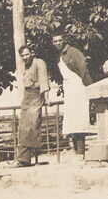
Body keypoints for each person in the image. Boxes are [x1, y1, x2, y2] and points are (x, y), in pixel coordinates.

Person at [53, 33, 96, 161]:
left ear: (64, 40)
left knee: (79, 119)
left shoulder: (74, 52)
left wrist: (90, 88)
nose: (58, 43)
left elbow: (83, 71)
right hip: (69, 89)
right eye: (55, 41)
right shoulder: (58, 56)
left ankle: (81, 152)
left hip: (79, 87)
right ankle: (76, 151)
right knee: (71, 120)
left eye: (60, 40)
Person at [15, 44, 51, 167]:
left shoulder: (39, 62)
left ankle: (27, 158)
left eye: (26, 54)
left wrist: (46, 97)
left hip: (36, 95)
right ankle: (23, 159)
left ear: (32, 53)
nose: (25, 57)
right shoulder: (26, 65)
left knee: (31, 125)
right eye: (22, 56)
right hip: (27, 96)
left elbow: (44, 80)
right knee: (22, 127)